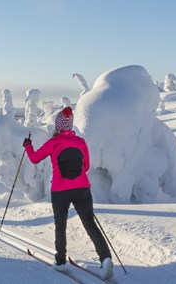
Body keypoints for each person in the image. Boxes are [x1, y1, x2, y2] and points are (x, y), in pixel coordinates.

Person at [23, 106, 113, 278]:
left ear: (58, 126)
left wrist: (28, 146)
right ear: (70, 126)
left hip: (60, 190)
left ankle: (61, 261)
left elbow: (34, 158)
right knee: (90, 224)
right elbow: (85, 167)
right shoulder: (80, 142)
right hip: (82, 189)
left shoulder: (53, 143)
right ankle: (106, 259)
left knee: (61, 224)